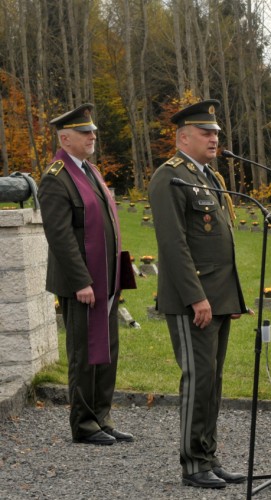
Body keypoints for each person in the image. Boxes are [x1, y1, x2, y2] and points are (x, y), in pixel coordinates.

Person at [149, 99, 247, 488]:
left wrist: (230, 299)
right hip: (193, 301)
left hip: (217, 298)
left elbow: (220, 244)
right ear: (183, 137)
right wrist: (197, 297)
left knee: (212, 380)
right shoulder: (169, 177)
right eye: (206, 133)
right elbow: (174, 245)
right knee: (198, 378)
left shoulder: (208, 177)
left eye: (216, 133)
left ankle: (208, 453)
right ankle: (193, 464)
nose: (214, 138)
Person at [38, 103, 134, 446]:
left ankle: (102, 417)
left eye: (92, 131)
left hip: (105, 280)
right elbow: (60, 237)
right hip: (81, 284)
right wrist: (81, 281)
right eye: (84, 132)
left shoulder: (90, 170)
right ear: (65, 138)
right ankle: (83, 424)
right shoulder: (55, 178)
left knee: (107, 350)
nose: (92, 136)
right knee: (84, 354)